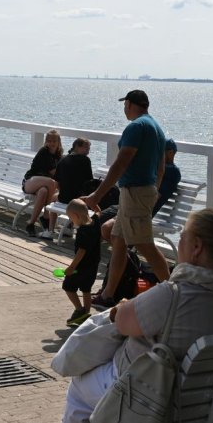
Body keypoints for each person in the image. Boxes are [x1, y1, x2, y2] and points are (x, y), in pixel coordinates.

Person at [62, 208, 213, 423]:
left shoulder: (175, 295)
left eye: (183, 237)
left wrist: (122, 306)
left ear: (196, 247)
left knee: (79, 387)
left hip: (156, 396)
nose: (180, 243)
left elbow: (122, 321)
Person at [83, 90, 168, 308]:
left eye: (125, 105)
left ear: (129, 104)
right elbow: (161, 166)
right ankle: (108, 295)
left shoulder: (136, 126)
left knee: (144, 243)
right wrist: (154, 190)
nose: (124, 109)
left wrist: (96, 195)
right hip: (141, 191)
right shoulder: (156, 128)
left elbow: (121, 163)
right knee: (118, 239)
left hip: (135, 191)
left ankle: (174, 293)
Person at [63, 199, 102, 327]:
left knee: (68, 286)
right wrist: (91, 202)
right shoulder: (95, 222)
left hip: (81, 267)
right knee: (86, 289)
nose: (71, 220)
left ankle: (79, 310)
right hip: (93, 264)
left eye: (71, 218)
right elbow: (98, 211)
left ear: (76, 216)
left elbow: (81, 251)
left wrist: (71, 267)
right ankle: (86, 313)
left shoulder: (82, 231)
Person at [23, 130, 62, 238]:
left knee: (44, 191)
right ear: (45, 141)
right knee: (51, 182)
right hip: (31, 181)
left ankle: (30, 224)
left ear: (59, 142)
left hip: (45, 186)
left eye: (54, 141)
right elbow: (54, 173)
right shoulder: (44, 151)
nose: (51, 143)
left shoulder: (58, 155)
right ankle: (45, 215)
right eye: (49, 140)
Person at [55, 138, 94, 205]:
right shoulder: (85, 160)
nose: (88, 152)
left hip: (63, 198)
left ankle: (46, 215)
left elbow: (57, 182)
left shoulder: (62, 159)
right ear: (77, 147)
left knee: (53, 199)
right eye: (87, 149)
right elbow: (90, 182)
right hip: (79, 199)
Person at [152, 137, 181, 216]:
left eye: (161, 151)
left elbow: (157, 195)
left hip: (144, 209)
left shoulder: (173, 172)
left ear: (171, 153)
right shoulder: (157, 167)